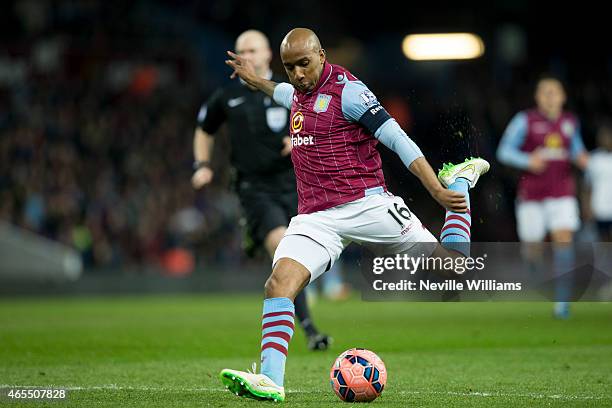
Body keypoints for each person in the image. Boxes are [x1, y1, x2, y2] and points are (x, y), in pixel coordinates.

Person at [220, 28, 489, 402]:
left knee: (455, 274)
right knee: (279, 283)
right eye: (289, 67)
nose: (297, 74)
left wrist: (437, 190)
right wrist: (257, 81)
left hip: (368, 204)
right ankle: (270, 380)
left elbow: (398, 139)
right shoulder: (296, 92)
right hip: (315, 217)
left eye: (304, 64)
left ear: (321, 56)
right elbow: (281, 92)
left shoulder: (348, 91)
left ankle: (459, 181)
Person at [192, 29, 330, 350]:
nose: (247, 57)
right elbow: (204, 129)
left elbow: (325, 123)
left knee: (300, 255)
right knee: (286, 251)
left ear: (269, 54)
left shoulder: (292, 91)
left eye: (253, 50)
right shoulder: (226, 97)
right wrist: (202, 166)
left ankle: (253, 237)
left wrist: (300, 138)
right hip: (255, 190)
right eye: (241, 51)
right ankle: (310, 330)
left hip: (298, 186)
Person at [497, 74, 589, 319]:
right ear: (538, 97)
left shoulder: (570, 122)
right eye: (545, 92)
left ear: (562, 97)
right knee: (533, 249)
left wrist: (583, 160)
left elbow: (575, 150)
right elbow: (504, 151)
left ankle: (562, 303)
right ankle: (537, 274)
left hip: (561, 193)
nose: (550, 97)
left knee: (563, 239)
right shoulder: (525, 120)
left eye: (554, 92)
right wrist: (528, 160)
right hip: (532, 195)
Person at [584, 121, 612, 242]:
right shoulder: (593, 159)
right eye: (603, 136)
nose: (606, 139)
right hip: (599, 208)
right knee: (602, 241)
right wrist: (586, 207)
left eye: (608, 136)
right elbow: (587, 186)